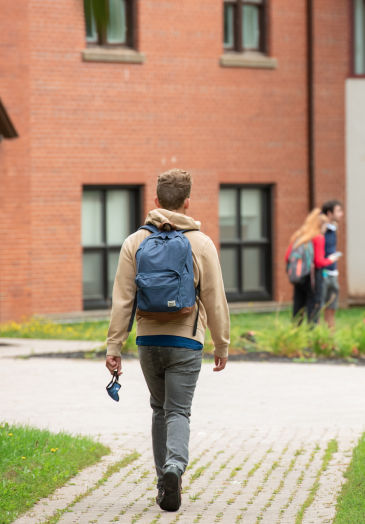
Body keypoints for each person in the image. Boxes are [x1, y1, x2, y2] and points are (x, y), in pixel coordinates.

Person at [105, 169, 230, 513]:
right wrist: (222, 344)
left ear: (156, 202)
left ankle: (163, 483)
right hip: (185, 342)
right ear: (187, 202)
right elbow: (215, 299)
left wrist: (114, 346)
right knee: (178, 411)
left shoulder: (135, 242)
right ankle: (175, 468)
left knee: (159, 409)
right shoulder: (200, 244)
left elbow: (122, 299)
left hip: (148, 341)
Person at [285, 209, 338, 325]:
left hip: (299, 278)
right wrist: (331, 260)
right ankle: (311, 337)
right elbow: (319, 262)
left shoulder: (299, 236)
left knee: (298, 307)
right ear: (320, 225)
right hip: (313, 278)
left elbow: (287, 257)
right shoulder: (318, 238)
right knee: (314, 307)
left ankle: (295, 336)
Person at [320, 199, 344, 329]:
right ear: (329, 213)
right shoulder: (321, 228)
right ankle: (317, 338)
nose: (341, 214)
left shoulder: (334, 228)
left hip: (333, 274)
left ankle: (330, 340)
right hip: (322, 273)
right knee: (319, 307)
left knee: (332, 308)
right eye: (339, 210)